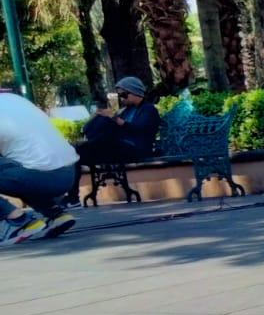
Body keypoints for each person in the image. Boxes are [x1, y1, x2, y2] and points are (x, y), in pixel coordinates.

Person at [1, 90, 78, 244]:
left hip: (40, 177)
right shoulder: (14, 99)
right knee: (23, 164)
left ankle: (18, 221)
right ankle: (55, 214)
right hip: (69, 173)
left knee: (22, 169)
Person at [76, 76, 159, 165]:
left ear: (134, 92)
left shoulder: (148, 109)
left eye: (123, 95)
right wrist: (97, 116)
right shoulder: (127, 110)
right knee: (98, 128)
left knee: (90, 148)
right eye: (119, 96)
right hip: (122, 146)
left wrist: (114, 118)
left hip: (136, 149)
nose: (121, 98)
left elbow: (140, 131)